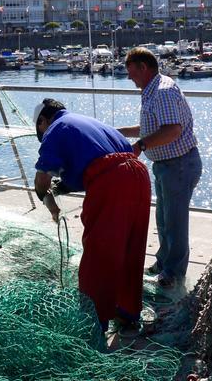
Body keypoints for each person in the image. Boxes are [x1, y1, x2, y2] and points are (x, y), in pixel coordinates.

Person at [32, 98, 151, 333]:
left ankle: (93, 322)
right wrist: (64, 186)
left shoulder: (55, 129)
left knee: (99, 252)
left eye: (40, 130)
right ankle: (127, 311)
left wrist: (45, 198)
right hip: (138, 174)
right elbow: (92, 165)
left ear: (43, 121)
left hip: (112, 180)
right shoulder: (86, 122)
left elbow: (41, 180)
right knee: (130, 247)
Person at [117, 47, 201, 290]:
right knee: (163, 218)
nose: (129, 78)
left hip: (180, 165)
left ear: (144, 67)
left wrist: (141, 145)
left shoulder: (162, 91)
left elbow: (172, 130)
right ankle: (164, 262)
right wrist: (122, 133)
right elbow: (152, 126)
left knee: (175, 220)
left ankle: (173, 273)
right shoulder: (151, 90)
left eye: (131, 72)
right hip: (166, 165)